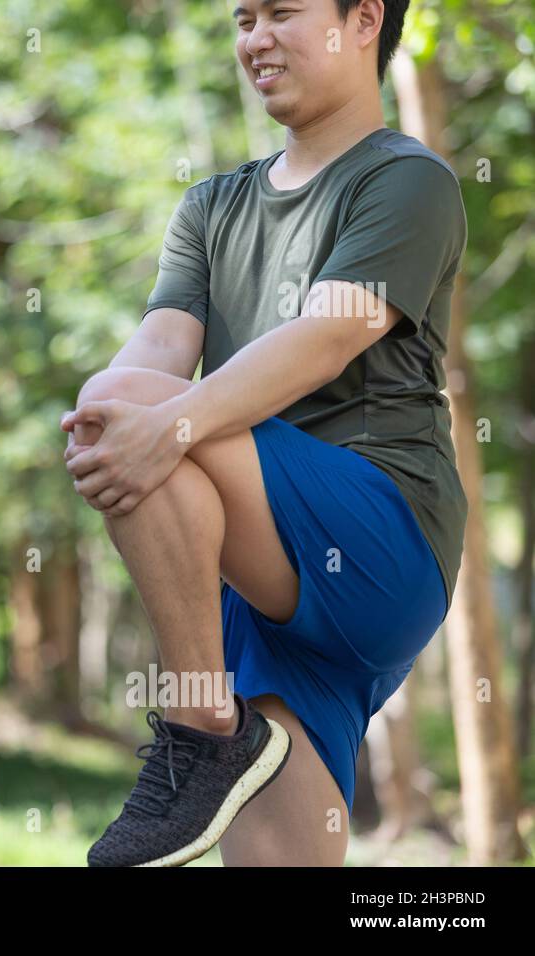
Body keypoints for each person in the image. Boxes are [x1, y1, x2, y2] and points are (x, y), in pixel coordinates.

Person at [62, 0, 465, 866]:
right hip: (259, 579)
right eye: (243, 18)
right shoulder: (213, 206)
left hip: (375, 536)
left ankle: (200, 721)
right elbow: (161, 348)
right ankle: (221, 737)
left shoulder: (406, 178)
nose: (255, 38)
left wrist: (158, 422)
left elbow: (329, 334)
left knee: (136, 405)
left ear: (363, 22)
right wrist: (108, 418)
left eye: (282, 12)